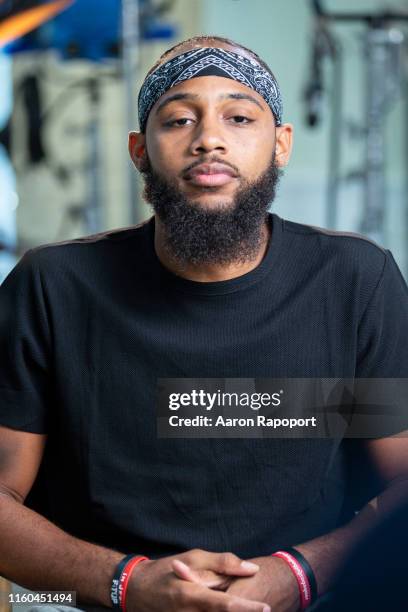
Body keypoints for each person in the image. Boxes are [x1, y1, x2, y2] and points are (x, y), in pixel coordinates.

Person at [0, 34, 407, 612]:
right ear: (140, 149)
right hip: (92, 597)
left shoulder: (353, 281)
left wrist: (299, 574)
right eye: (179, 120)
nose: (209, 139)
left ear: (280, 144)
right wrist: (127, 583)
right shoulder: (55, 286)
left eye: (239, 117)